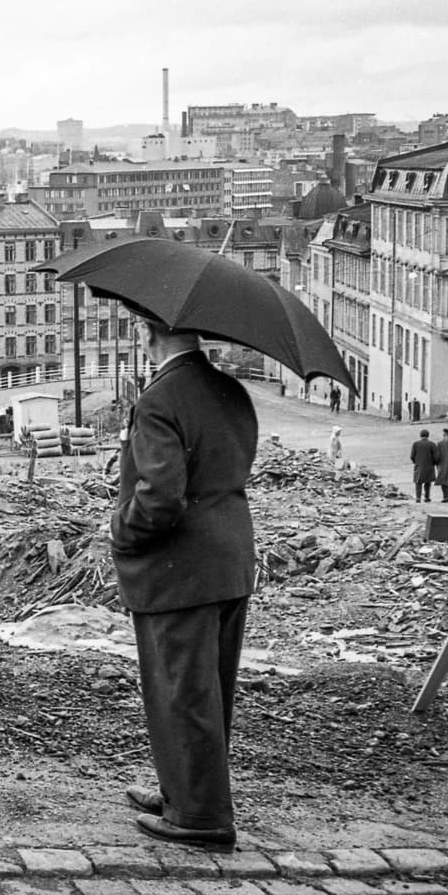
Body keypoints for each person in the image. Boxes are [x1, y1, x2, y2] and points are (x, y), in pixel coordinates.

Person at [111, 311, 257, 853]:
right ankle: (183, 792)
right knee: (208, 690)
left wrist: (121, 533)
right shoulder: (230, 390)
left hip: (178, 571)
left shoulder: (160, 400)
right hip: (229, 561)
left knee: (181, 692)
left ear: (149, 334)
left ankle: (200, 817)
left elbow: (159, 496)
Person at [410, 428, 437, 502]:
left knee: (418, 483)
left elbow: (412, 456)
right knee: (428, 483)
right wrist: (433, 463)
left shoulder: (415, 444)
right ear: (428, 435)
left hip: (419, 465)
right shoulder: (432, 444)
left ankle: (418, 498)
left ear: (420, 435)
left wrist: (416, 462)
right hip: (429, 466)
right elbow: (436, 457)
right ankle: (427, 497)